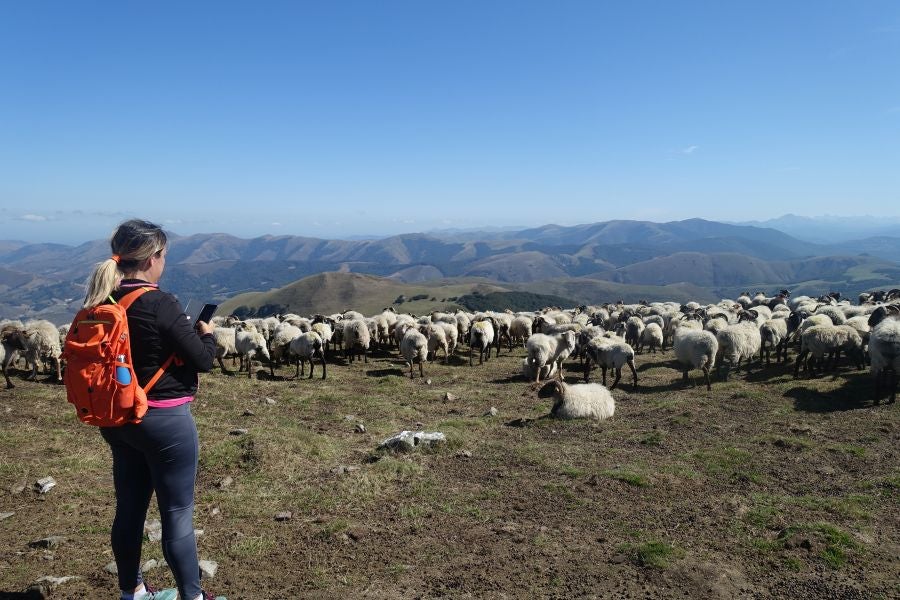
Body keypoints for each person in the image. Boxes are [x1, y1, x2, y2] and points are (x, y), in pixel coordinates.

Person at [82, 219, 219, 600]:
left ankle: (133, 591)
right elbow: (202, 361)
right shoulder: (160, 302)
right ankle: (192, 595)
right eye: (163, 257)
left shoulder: (102, 300)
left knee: (129, 507)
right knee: (176, 514)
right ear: (153, 259)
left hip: (115, 418)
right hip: (164, 421)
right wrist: (206, 336)